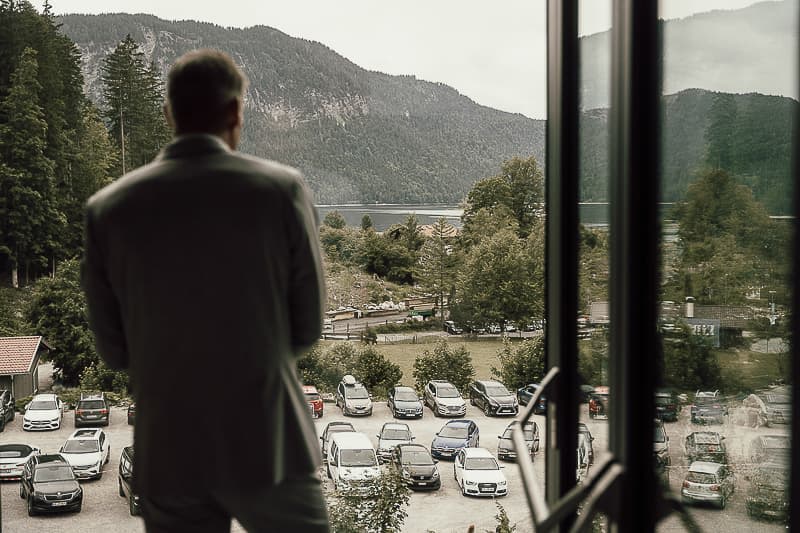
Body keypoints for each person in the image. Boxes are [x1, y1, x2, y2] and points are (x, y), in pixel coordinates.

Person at [82, 49, 329, 532]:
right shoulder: (281, 191)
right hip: (270, 443)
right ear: (236, 111)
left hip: (170, 451)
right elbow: (308, 327)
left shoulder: (108, 210)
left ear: (170, 113)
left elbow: (114, 351)